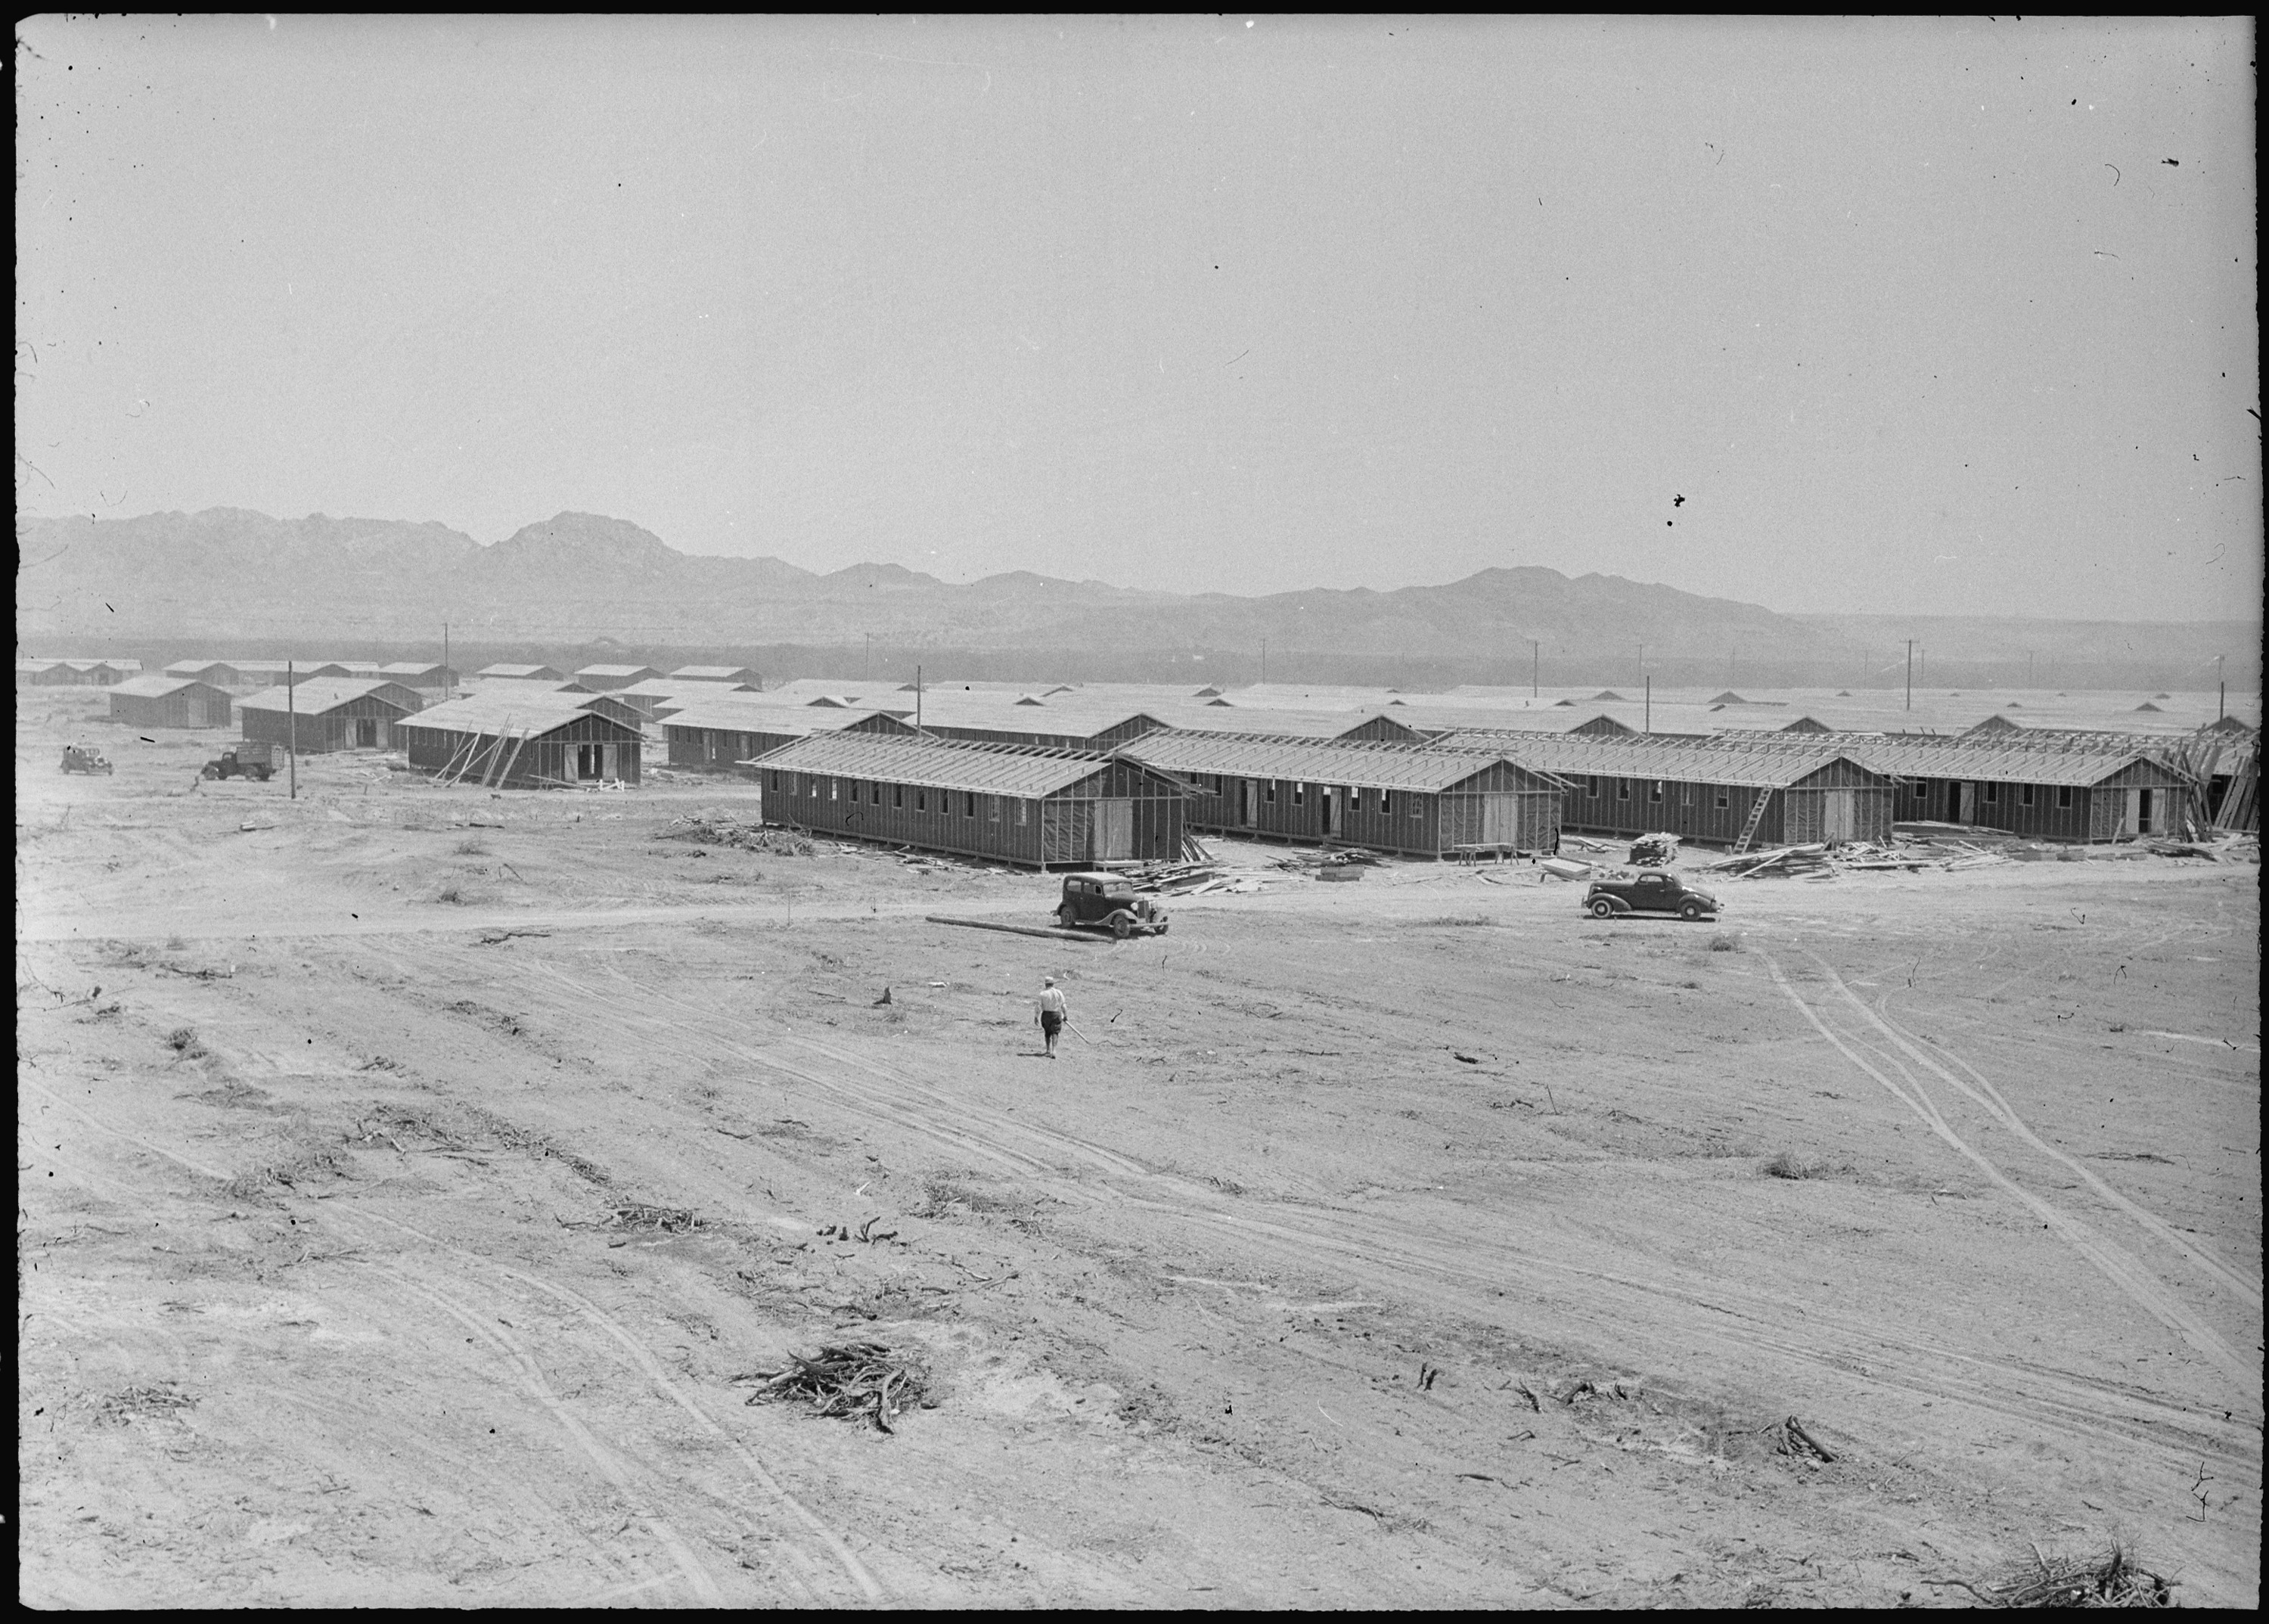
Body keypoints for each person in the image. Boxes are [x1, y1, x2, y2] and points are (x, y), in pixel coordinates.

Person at [1035, 975, 1068, 1058]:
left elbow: (1039, 1007)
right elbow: (1064, 1006)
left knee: (1047, 1032)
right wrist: (1066, 1015)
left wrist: (1036, 1016)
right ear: (1053, 984)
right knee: (1055, 1032)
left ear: (1046, 985)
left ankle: (1047, 1050)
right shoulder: (1059, 993)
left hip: (1046, 1014)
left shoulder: (1042, 994)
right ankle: (1054, 1050)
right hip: (1056, 1014)